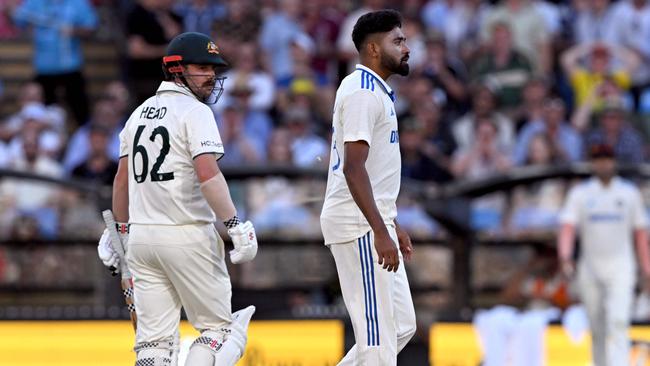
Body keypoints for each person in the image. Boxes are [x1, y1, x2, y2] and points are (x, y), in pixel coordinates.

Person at [96, 32, 258, 366]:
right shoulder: (195, 112)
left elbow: (121, 180)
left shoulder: (138, 113)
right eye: (202, 67)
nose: (211, 75)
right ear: (176, 69)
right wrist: (234, 225)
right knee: (220, 332)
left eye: (214, 68)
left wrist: (119, 233)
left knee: (153, 346)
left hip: (143, 240)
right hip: (188, 235)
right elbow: (208, 175)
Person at [320, 10, 416, 365]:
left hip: (373, 220)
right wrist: (379, 228)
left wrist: (391, 221)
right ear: (373, 49)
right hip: (358, 224)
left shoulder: (372, 89)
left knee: (401, 327)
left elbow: (374, 171)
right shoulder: (363, 92)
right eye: (398, 41)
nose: (407, 48)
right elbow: (354, 167)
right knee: (376, 341)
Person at [557, 144, 650, 366]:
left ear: (614, 161)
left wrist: (646, 269)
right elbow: (568, 228)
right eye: (598, 159)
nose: (603, 163)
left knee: (618, 322)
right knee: (597, 327)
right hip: (590, 268)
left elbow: (640, 235)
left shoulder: (628, 193)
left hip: (621, 267)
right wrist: (565, 256)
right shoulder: (580, 194)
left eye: (607, 158)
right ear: (592, 163)